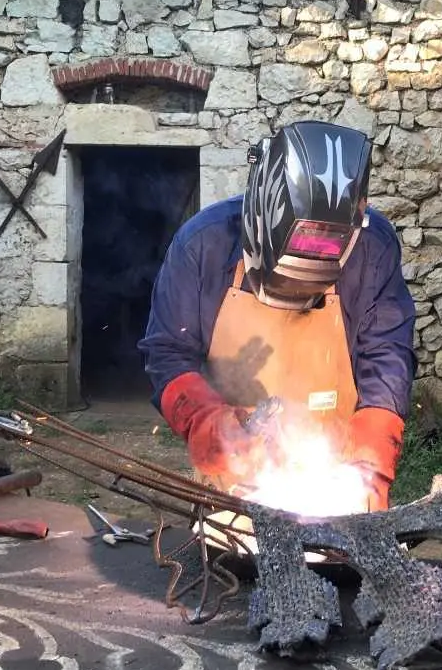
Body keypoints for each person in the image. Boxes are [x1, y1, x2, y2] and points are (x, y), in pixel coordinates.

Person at [137, 120, 417, 512]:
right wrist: (208, 424)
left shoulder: (373, 249)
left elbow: (387, 357)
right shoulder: (203, 245)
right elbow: (168, 352)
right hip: (236, 480)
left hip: (335, 470)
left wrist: (369, 465)